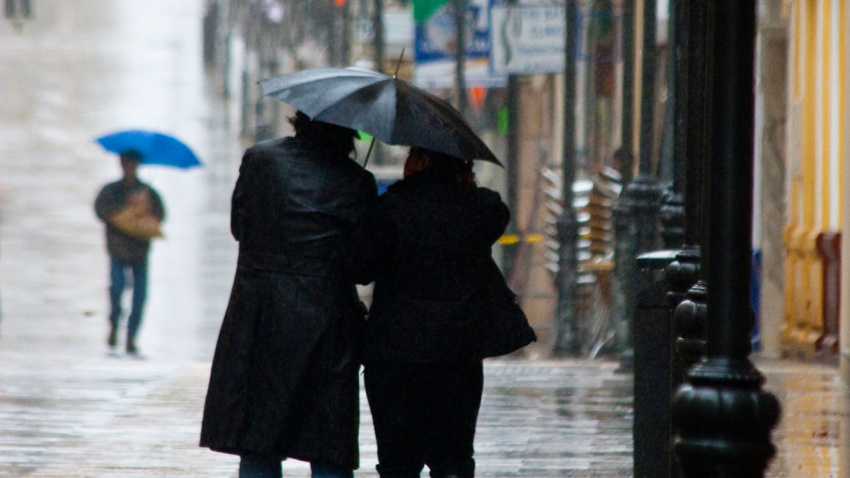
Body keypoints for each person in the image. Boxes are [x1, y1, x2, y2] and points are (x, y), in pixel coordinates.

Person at [200, 111, 377, 478]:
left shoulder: (260, 159)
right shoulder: (357, 181)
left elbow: (239, 227)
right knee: (329, 444)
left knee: (259, 440)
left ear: (300, 120)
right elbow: (364, 267)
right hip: (327, 322)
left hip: (260, 315)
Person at [346, 147, 511, 478]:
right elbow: (494, 214)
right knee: (454, 460)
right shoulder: (481, 208)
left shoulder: (390, 208)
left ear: (422, 162)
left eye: (411, 154)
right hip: (457, 356)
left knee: (398, 464)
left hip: (395, 357)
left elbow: (360, 268)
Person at [94, 149, 165, 356]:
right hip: (117, 250)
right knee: (116, 287)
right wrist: (125, 208)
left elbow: (160, 215)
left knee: (140, 295)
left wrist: (144, 207)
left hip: (140, 252)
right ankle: (114, 323)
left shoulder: (148, 192)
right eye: (126, 163)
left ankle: (132, 336)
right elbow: (101, 209)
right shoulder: (111, 190)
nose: (129, 167)